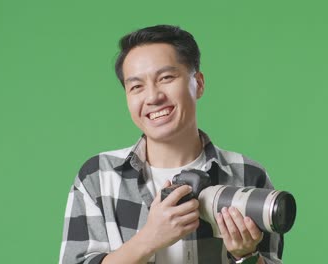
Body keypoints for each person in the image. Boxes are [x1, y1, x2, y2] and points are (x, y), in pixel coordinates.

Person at [59, 25, 283, 264]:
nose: (153, 97)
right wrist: (149, 239)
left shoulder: (247, 174)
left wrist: (246, 255)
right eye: (136, 87)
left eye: (166, 78)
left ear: (199, 83)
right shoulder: (98, 176)